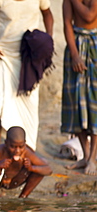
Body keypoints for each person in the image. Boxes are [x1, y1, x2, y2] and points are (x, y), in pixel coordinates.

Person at [0, 0, 54, 150]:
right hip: (3, 55)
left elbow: (48, 14)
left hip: (29, 57)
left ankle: (28, 149)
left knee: (29, 105)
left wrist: (47, 40)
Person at [61, 0, 97, 175]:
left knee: (94, 104)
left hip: (94, 46)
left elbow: (89, 15)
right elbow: (67, 23)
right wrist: (74, 55)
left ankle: (92, 158)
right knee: (76, 103)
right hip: (75, 47)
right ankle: (85, 156)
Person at [0, 126, 52, 198]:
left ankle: (23, 196)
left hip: (15, 181)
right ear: (6, 143)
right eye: (13, 147)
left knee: (39, 171)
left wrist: (31, 168)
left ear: (25, 144)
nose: (17, 151)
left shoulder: (26, 153)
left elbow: (48, 170)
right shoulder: (0, 150)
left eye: (21, 147)